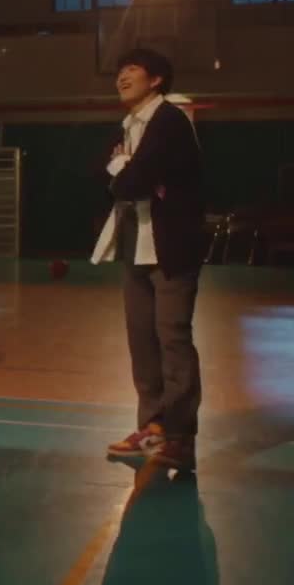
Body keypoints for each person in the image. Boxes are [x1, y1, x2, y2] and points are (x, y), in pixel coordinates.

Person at [92, 47, 206, 471]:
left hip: (171, 250)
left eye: (132, 69)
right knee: (143, 345)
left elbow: (131, 181)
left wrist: (122, 168)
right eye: (119, 70)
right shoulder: (127, 126)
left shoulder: (169, 121)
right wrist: (124, 170)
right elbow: (106, 176)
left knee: (172, 340)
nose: (121, 77)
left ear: (156, 79)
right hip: (135, 249)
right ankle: (152, 430)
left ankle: (179, 438)